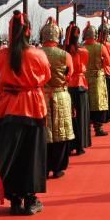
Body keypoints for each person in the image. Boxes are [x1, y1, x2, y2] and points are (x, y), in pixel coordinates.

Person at [0, 12, 51, 216]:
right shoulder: (38, 55)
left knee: (10, 154)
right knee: (32, 153)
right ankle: (30, 198)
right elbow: (46, 76)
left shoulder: (2, 55)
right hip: (32, 106)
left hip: (8, 106)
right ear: (29, 31)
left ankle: (14, 198)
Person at [40, 19, 75, 179]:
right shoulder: (65, 55)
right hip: (60, 94)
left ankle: (43, 166)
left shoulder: (36, 53)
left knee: (44, 132)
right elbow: (69, 75)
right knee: (61, 132)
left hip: (41, 95)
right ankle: (58, 167)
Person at [65, 22, 91, 156]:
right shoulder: (83, 51)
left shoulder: (64, 51)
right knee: (80, 116)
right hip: (80, 84)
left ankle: (69, 145)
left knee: (68, 117)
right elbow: (85, 64)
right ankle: (80, 145)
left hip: (67, 85)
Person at [84, 24, 110, 135]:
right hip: (97, 78)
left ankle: (86, 127)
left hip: (84, 78)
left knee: (87, 103)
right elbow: (108, 62)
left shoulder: (81, 47)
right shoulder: (101, 47)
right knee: (98, 103)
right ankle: (98, 128)